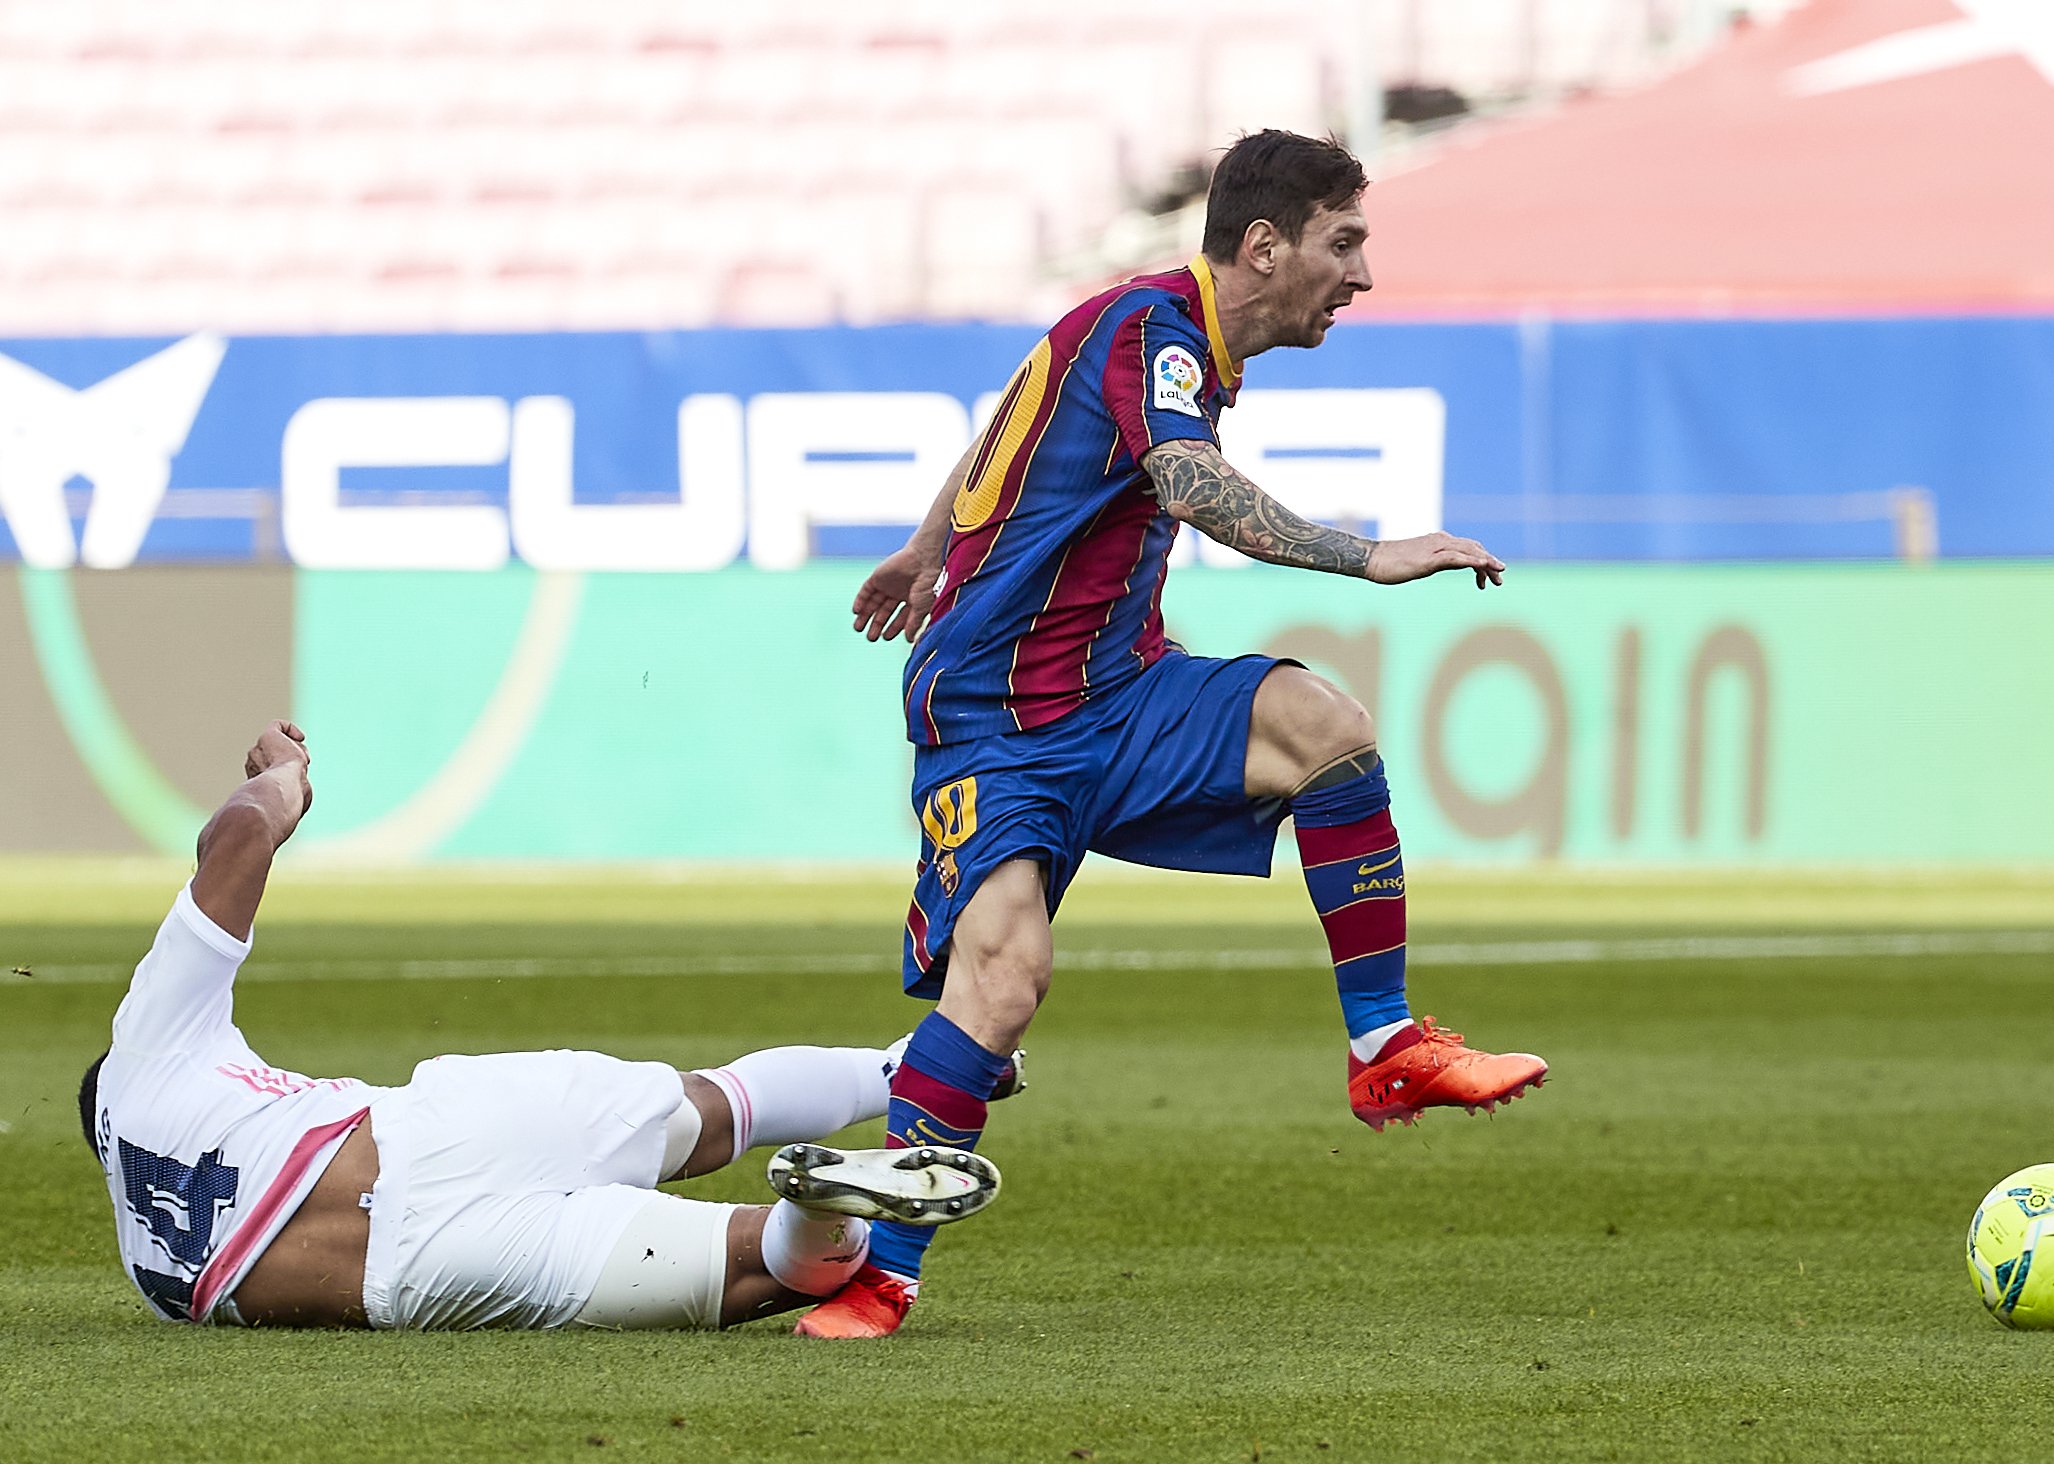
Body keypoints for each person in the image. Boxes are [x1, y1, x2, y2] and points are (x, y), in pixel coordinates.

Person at [821, 129, 1546, 1340]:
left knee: (1325, 730)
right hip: (996, 720)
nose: (1362, 276)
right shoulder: (1154, 331)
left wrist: (927, 543)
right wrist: (1369, 555)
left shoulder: (1150, 335)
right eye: (1344, 243)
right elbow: (1189, 483)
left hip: (1122, 693)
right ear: (1264, 246)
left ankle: (1385, 1042)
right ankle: (878, 1277)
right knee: (1004, 986)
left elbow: (1010, 419)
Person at [79, 719, 1005, 1332]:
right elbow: (242, 837)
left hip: (426, 1275)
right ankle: (913, 1067)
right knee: (709, 1110)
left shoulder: (149, 1274)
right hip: (436, 1127)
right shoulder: (146, 1052)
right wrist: (284, 778)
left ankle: (819, 1210)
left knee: (761, 1272)